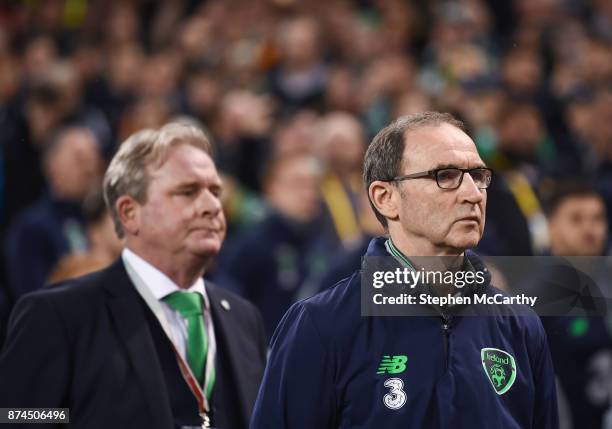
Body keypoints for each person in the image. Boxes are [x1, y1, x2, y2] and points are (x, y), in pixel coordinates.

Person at [251, 112, 559, 428]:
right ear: (385, 198)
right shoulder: (319, 325)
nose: (473, 194)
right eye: (445, 175)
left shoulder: (521, 325)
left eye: (478, 176)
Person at [0, 122, 267, 429]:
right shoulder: (58, 315)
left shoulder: (245, 320)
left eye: (215, 191)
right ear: (129, 213)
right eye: (188, 191)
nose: (212, 206)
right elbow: (15, 416)